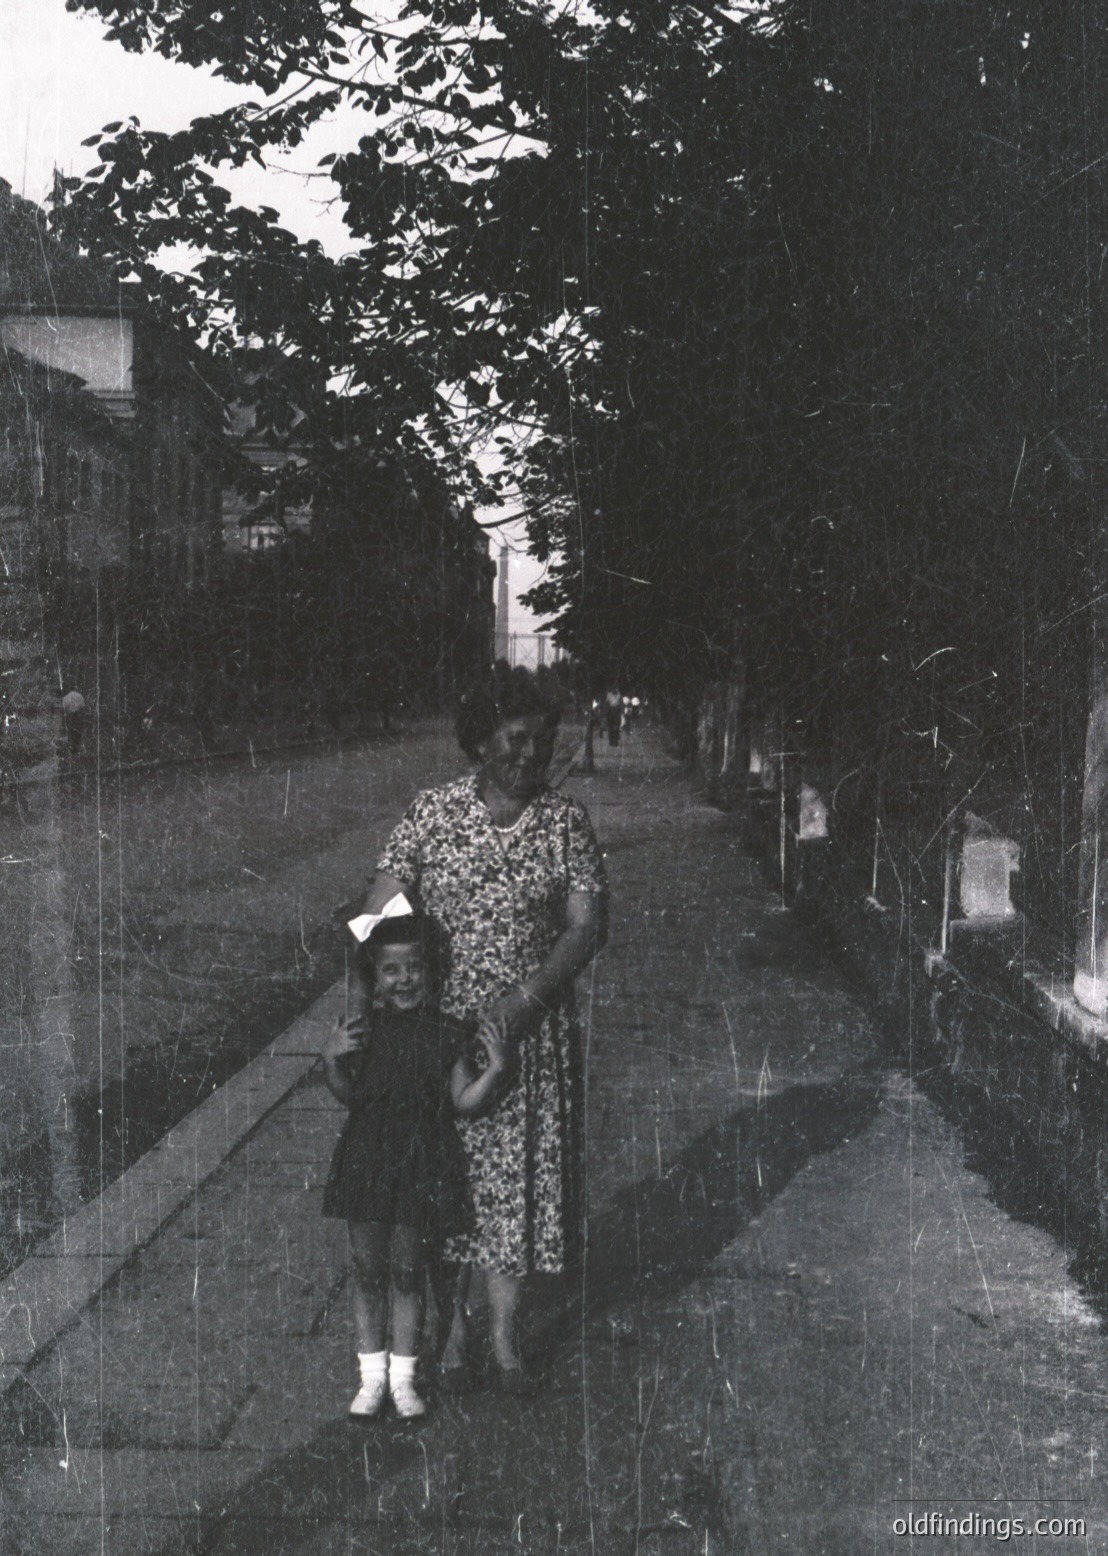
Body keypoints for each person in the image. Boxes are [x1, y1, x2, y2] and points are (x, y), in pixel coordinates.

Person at [363, 666, 608, 1395]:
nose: (532, 753)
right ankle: (448, 1330)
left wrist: (529, 998)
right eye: (516, 738)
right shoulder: (432, 814)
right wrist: (372, 992)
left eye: (542, 739)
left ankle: (502, 1334)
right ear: (480, 742)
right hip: (441, 1037)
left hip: (528, 1035)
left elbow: (587, 926)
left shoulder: (566, 822)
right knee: (442, 1186)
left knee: (517, 1187)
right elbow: (379, 901)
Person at [321, 909, 512, 1420]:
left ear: (430, 973)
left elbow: (463, 1101)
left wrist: (493, 1072)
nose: (404, 979)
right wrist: (332, 1060)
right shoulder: (364, 1031)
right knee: (366, 1269)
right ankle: (371, 1379)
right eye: (391, 970)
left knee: (408, 1271)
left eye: (414, 968)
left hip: (418, 1163)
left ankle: (404, 1380)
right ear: (375, 979)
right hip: (367, 1158)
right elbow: (348, 1095)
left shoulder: (448, 1032)